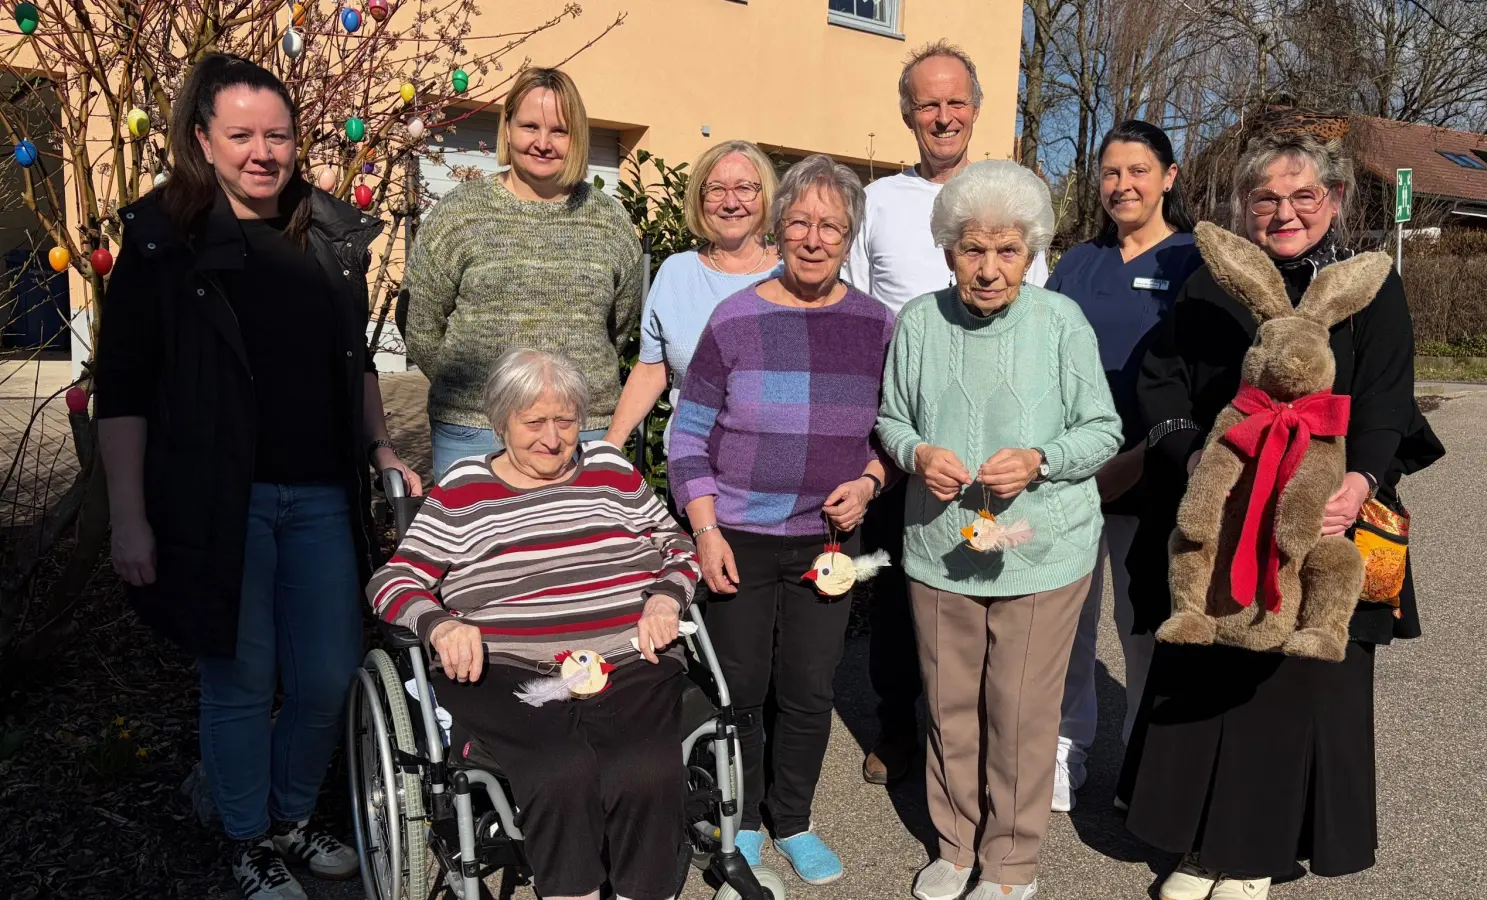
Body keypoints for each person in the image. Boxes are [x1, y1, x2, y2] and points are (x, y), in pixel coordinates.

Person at [96, 54, 423, 900]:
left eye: (277, 135)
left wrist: (381, 447)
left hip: (320, 495)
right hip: (216, 502)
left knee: (326, 674)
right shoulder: (163, 240)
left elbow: (356, 364)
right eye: (239, 135)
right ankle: (247, 840)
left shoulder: (329, 235)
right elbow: (123, 389)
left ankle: (285, 819)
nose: (262, 152)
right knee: (240, 680)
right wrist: (128, 517)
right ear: (202, 140)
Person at [1122, 132, 1442, 900]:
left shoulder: (1370, 286)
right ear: (1243, 208)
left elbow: (1389, 400)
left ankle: (1257, 856)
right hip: (1229, 509)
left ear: (1333, 201)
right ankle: (1199, 847)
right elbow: (1161, 383)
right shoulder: (1210, 285)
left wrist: (1361, 481)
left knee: (1296, 681)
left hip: (1327, 510)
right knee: (1210, 671)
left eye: (1304, 196)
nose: (1284, 212)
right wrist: (1193, 455)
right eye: (1265, 197)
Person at [876, 160, 1122, 900]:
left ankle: (1011, 864)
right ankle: (955, 845)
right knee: (950, 705)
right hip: (939, 549)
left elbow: (1104, 431)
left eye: (1006, 250)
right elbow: (891, 418)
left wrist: (1041, 460)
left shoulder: (1059, 323)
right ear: (949, 249)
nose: (988, 269)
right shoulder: (919, 322)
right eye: (972, 249)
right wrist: (917, 453)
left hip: (1041, 552)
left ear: (1031, 252)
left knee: (1018, 714)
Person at [369, 350, 699, 900]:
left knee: (645, 768)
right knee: (560, 768)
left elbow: (677, 545)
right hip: (508, 667)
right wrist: (439, 625)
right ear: (501, 423)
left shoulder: (611, 472)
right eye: (534, 422)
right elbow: (393, 580)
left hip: (625, 656)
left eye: (565, 420)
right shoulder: (462, 490)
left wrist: (666, 598)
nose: (552, 437)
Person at [669, 154, 895, 886]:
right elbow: (689, 433)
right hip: (736, 534)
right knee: (740, 686)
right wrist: (704, 530)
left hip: (827, 541)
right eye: (799, 221)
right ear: (779, 225)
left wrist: (867, 482)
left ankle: (792, 818)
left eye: (830, 224)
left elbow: (895, 434)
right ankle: (740, 819)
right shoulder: (735, 318)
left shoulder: (876, 325)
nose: (813, 236)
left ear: (849, 235)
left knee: (810, 684)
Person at [843, 40, 1048, 786]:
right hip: (907, 431)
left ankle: (986, 734)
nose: (942, 116)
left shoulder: (1015, 193)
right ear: (908, 115)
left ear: (976, 109)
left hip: (996, 427)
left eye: (955, 101)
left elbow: (1040, 308)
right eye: (927, 103)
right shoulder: (879, 203)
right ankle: (901, 726)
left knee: (992, 578)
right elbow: (861, 314)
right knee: (902, 588)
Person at [1042, 120, 1202, 812]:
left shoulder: (1194, 261)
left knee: (1141, 627)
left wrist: (1140, 458)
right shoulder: (1075, 264)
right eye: (1110, 172)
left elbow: (1201, 376)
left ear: (1169, 176)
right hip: (1073, 481)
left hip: (1151, 477)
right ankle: (1066, 751)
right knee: (1066, 626)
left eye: (1138, 171)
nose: (1122, 185)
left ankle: (1142, 762)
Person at [401, 66, 643, 478]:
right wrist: (477, 391)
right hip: (474, 430)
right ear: (508, 128)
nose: (543, 143)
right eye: (530, 125)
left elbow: (620, 327)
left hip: (580, 432)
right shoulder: (459, 214)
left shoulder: (610, 223)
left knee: (579, 545)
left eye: (559, 131)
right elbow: (419, 322)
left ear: (577, 138)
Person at [602, 140, 780, 472]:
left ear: (766, 194)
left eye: (744, 188)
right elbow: (653, 368)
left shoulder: (792, 272)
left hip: (776, 472)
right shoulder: (676, 272)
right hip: (693, 467)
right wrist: (610, 447)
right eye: (716, 190)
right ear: (700, 199)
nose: (730, 203)